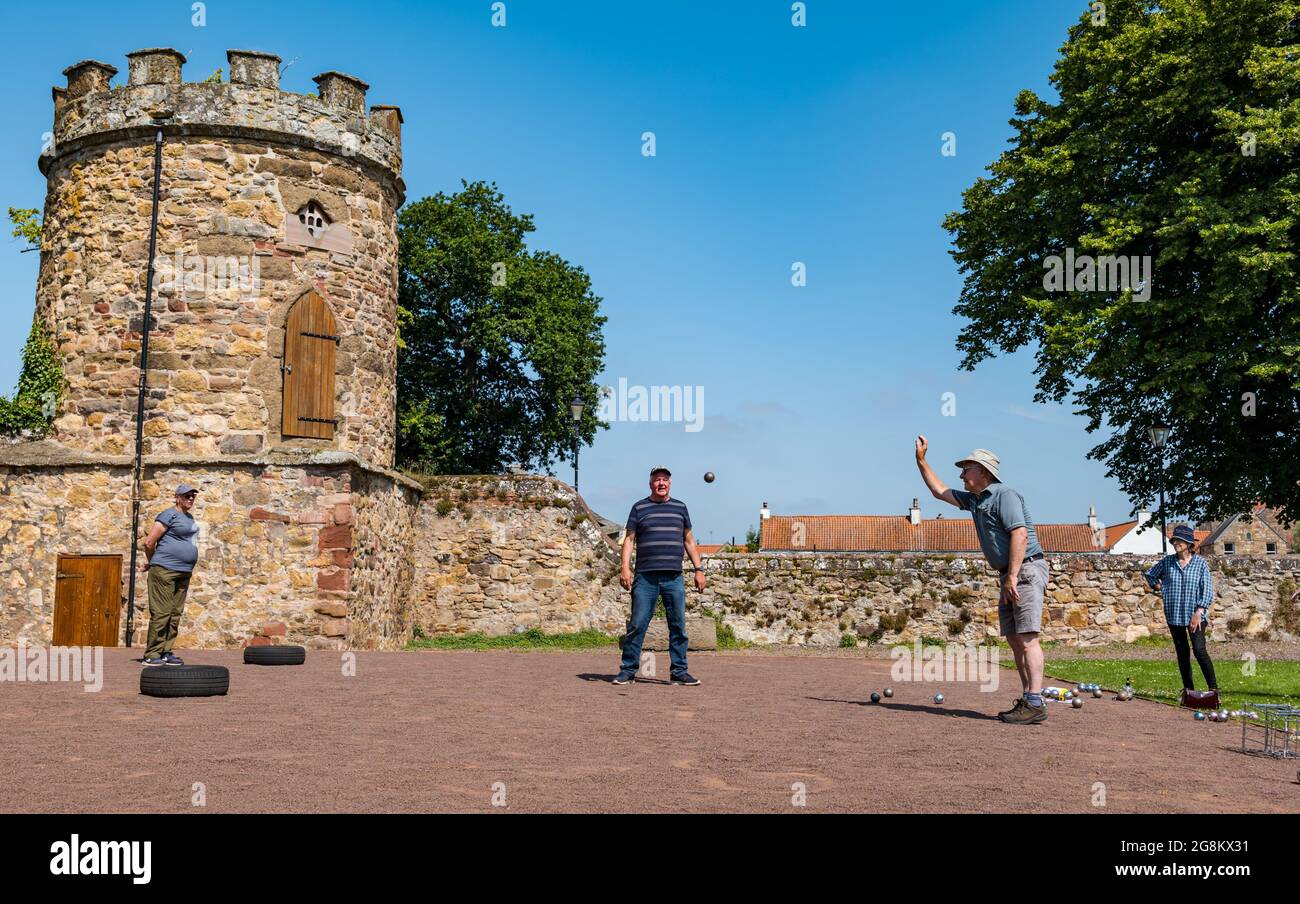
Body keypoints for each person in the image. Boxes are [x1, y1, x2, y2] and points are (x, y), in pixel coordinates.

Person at [915, 436, 1051, 724]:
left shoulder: (1005, 495)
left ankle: (1036, 700)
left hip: (1025, 569)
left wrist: (1013, 576)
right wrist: (921, 460)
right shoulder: (975, 500)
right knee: (1015, 640)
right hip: (1010, 573)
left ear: (984, 472)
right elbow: (940, 491)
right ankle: (1029, 700)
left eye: (967, 469)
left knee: (1027, 638)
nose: (961, 474)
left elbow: (1020, 534)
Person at [613, 467, 706, 687]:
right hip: (645, 577)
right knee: (637, 624)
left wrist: (699, 569)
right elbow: (629, 540)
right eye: (657, 480)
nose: (661, 483)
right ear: (650, 484)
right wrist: (625, 567)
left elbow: (689, 540)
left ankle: (679, 672)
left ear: (670, 483)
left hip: (674, 577)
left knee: (678, 625)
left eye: (665, 480)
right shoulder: (639, 508)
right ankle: (627, 671)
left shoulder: (680, 508)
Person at [1144, 524, 1217, 704]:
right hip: (1174, 613)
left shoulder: (1200, 563)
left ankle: (1214, 691)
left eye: (1180, 540)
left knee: (1199, 650)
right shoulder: (1168, 562)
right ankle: (1189, 692)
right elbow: (1150, 574)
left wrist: (1199, 612)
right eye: (1174, 540)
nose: (1176, 543)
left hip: (1195, 615)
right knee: (1182, 652)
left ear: (1188, 543)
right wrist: (1159, 586)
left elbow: (1207, 591)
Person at [139, 483, 201, 666]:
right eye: (186, 495)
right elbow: (149, 542)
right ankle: (152, 654)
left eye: (193, 496)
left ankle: (166, 651)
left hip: (184, 572)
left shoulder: (189, 517)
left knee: (175, 613)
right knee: (162, 612)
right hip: (165, 570)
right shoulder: (168, 514)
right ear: (177, 497)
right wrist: (152, 562)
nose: (190, 498)